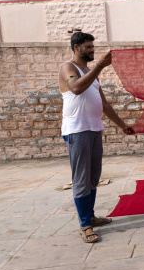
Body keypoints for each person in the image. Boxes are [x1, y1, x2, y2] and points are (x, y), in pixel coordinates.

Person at [58, 32, 135, 243]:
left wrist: (122, 125)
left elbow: (104, 104)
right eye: (88, 47)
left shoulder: (91, 73)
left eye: (93, 47)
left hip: (93, 129)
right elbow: (75, 88)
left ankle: (90, 216)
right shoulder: (68, 68)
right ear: (76, 48)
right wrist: (100, 65)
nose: (92, 51)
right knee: (82, 178)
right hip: (77, 131)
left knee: (93, 177)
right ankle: (85, 225)